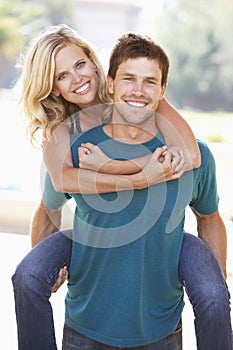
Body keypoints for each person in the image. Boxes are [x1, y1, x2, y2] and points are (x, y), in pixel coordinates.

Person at [11, 26, 231, 349]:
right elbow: (54, 198)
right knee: (28, 275)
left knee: (213, 293)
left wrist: (215, 278)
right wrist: (47, 269)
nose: (77, 79)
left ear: (96, 66)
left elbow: (194, 161)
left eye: (80, 65)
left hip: (161, 293)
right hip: (89, 266)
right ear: (53, 89)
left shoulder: (174, 139)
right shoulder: (66, 141)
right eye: (61, 76)